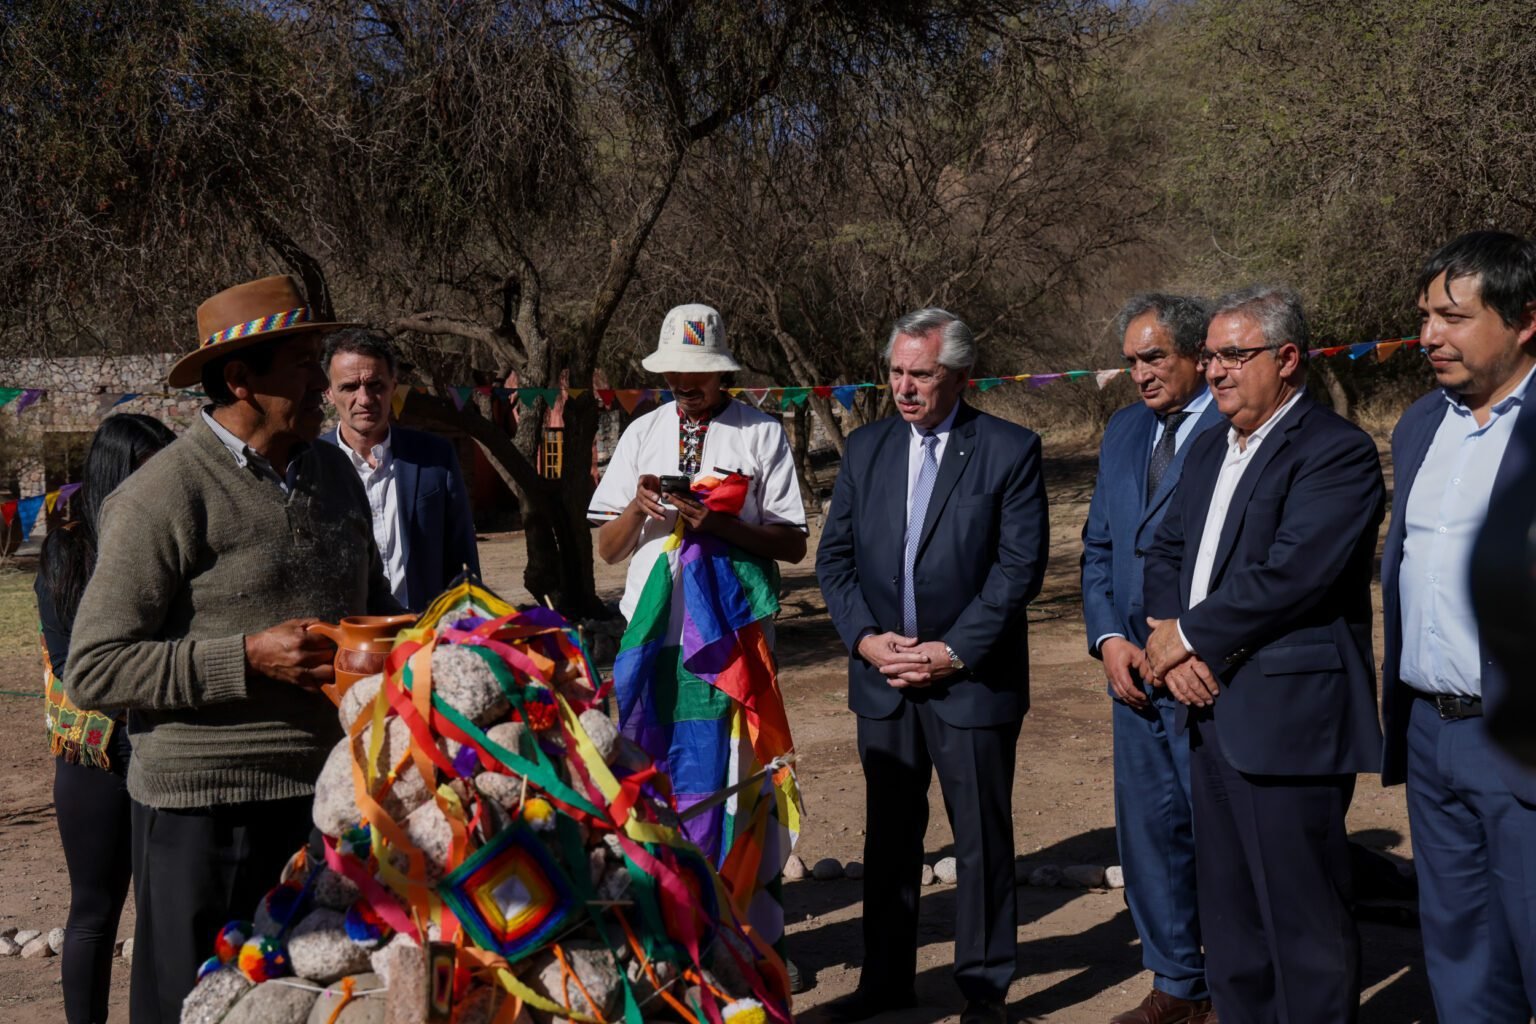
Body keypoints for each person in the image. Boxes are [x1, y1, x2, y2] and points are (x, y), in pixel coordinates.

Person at [65, 275, 399, 1023]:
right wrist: (245, 656)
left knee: (298, 1008)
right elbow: (94, 667)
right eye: (306, 365)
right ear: (242, 379)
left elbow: (371, 608)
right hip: (204, 815)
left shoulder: (334, 474)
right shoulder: (163, 495)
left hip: (320, 806)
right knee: (194, 1011)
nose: (325, 381)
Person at [1141, 285, 1385, 1024]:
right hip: (1205, 709)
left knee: (1303, 918)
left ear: (1285, 359)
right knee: (1231, 915)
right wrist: (1166, 638)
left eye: (1232, 355)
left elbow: (1293, 574)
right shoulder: (1211, 443)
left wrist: (1187, 637)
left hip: (1287, 716)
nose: (1213, 371)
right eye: (1210, 356)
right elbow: (1166, 547)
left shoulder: (1335, 452)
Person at [816, 308, 1049, 1024]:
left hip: (970, 682)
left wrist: (950, 652)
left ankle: (984, 991)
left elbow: (1018, 570)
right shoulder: (865, 449)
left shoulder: (1008, 450)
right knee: (889, 841)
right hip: (883, 682)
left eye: (922, 374)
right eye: (896, 373)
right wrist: (865, 641)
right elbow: (836, 561)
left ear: (960, 376)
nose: (906, 388)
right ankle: (884, 983)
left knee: (980, 840)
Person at [586, 303, 808, 988]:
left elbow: (793, 542)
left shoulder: (760, 434)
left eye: (701, 373)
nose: (688, 382)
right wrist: (639, 507)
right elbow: (608, 547)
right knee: (650, 771)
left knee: (735, 774)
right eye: (677, 372)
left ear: (723, 375)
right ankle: (665, 940)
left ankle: (747, 945)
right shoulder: (642, 433)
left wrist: (721, 523)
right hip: (653, 642)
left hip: (731, 642)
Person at [1380, 231, 1536, 1020]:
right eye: (1424, 316)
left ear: (1524, 320)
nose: (1429, 335)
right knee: (1462, 962)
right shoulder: (1418, 426)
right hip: (1432, 737)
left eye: (1453, 316)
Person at [1080, 294, 1222, 1024]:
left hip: (1204, 675)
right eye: (1132, 359)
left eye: (1155, 357)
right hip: (1132, 677)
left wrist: (1184, 645)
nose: (1140, 374)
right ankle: (1176, 985)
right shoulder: (1125, 431)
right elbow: (1100, 546)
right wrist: (1109, 640)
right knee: (1150, 835)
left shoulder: (1235, 430)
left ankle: (1233, 983)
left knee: (1218, 836)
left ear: (1198, 355)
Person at [37, 414, 176, 1024]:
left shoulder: (171, 539)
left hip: (164, 746)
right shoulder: (68, 550)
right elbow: (72, 663)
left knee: (164, 911)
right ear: (114, 474)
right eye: (148, 471)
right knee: (92, 913)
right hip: (92, 751)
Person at [322, 329, 480, 611]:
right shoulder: (311, 464)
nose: (365, 399)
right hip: (346, 641)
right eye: (349, 387)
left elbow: (462, 558)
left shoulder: (434, 457)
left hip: (422, 633)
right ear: (329, 394)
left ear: (393, 386)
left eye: (376, 385)